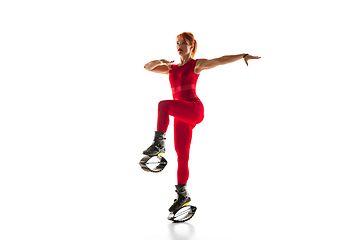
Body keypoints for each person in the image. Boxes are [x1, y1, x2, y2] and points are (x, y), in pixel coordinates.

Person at [143, 32, 261, 213]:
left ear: (191, 46)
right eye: (177, 43)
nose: (179, 46)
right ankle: (183, 195)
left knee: (163, 105)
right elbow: (147, 67)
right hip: (181, 116)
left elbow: (220, 60)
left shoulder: (195, 65)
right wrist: (161, 61)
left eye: (183, 43)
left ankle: (159, 144)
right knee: (182, 156)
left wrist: (243, 55)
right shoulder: (171, 68)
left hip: (193, 109)